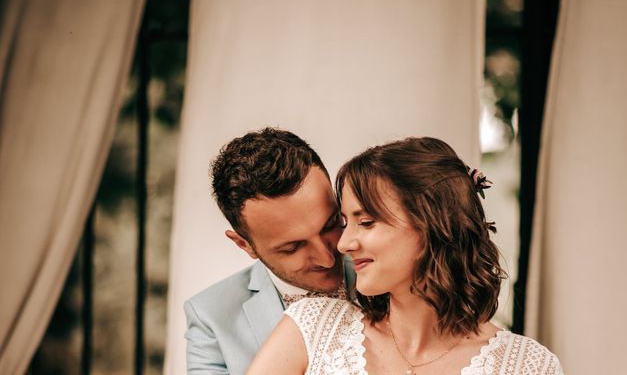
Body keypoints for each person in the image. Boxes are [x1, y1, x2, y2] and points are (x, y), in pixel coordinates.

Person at [247, 136, 563, 375]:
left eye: (366, 222)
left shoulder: (525, 365)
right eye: (345, 223)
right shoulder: (314, 328)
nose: (343, 244)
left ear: (433, 225)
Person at [184, 128, 355, 374]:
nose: (327, 259)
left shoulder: (390, 272)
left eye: (331, 224)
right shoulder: (209, 316)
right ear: (245, 245)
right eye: (293, 248)